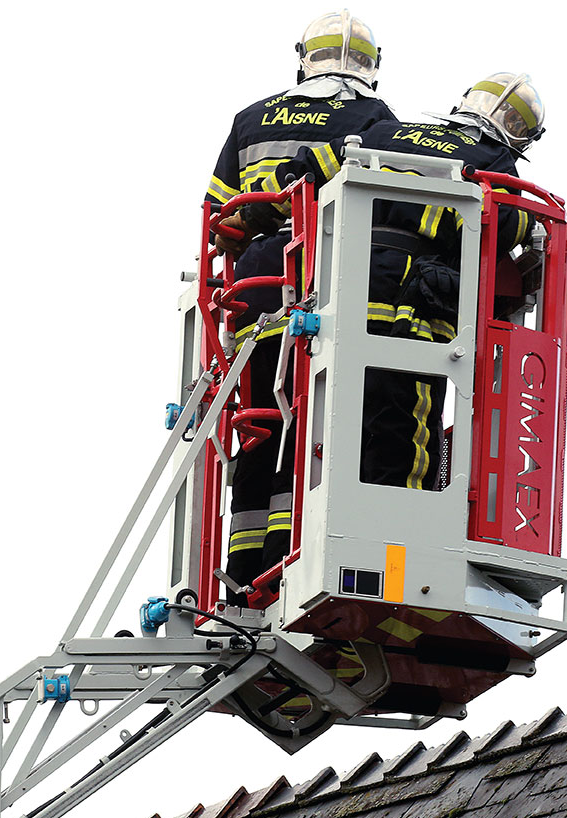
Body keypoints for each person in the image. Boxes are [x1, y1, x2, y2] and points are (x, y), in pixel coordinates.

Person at [225, 72, 546, 490]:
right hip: (411, 302)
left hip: (335, 285)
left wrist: (248, 218)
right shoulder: (494, 162)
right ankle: (401, 524)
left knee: (318, 421)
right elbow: (510, 222)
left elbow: (303, 174)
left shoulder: (387, 131)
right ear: (522, 138)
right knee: (404, 421)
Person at [208, 11, 397, 607]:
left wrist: (252, 237)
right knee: (309, 427)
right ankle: (280, 564)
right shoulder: (372, 118)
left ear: (304, 55)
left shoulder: (250, 117)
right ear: (370, 63)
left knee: (261, 423)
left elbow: (220, 220)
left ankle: (240, 573)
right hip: (324, 285)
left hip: (251, 290)